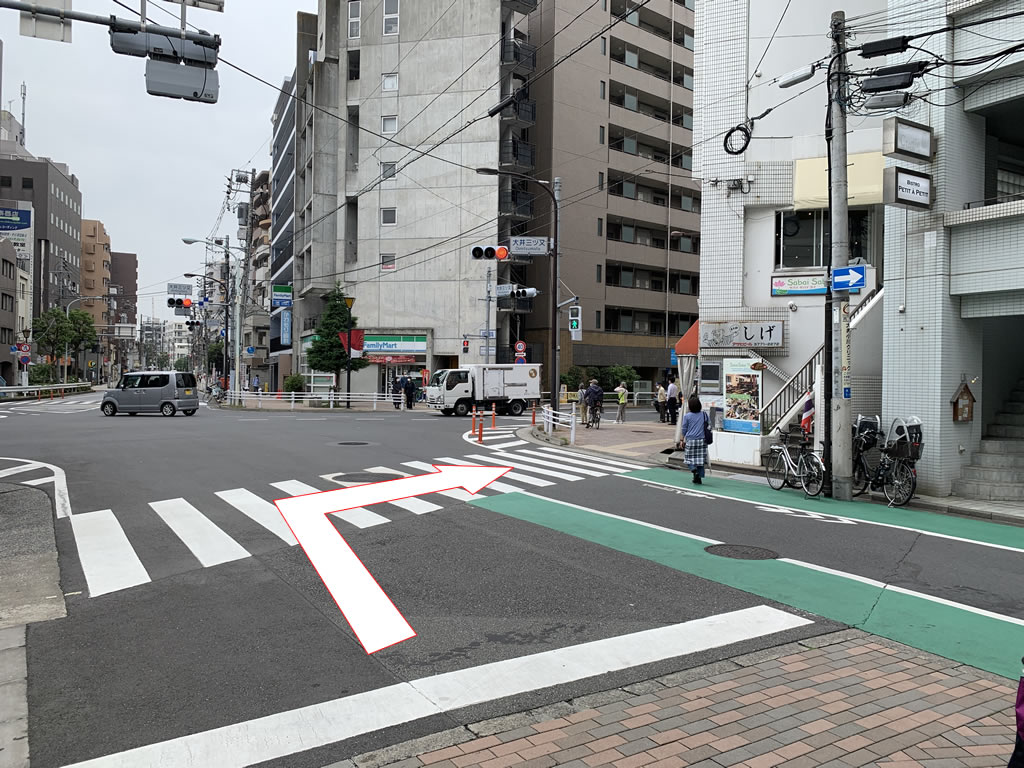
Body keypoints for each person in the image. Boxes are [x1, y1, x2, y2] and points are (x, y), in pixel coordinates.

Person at [681, 395, 709, 484]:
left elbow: (684, 429)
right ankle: (698, 478)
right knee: (700, 460)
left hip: (691, 440)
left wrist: (682, 440)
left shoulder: (687, 416)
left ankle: (694, 471)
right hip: (702, 440)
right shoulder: (704, 415)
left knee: (688, 459)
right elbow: (708, 426)